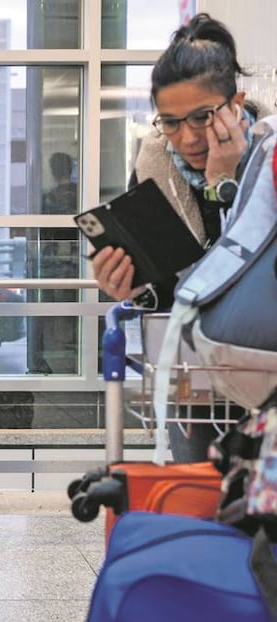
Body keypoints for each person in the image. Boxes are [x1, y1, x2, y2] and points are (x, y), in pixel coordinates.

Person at [91, 14, 266, 461]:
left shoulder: (268, 158)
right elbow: (169, 281)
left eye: (202, 117)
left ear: (236, 103)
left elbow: (246, 265)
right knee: (195, 495)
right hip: (191, 373)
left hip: (263, 363)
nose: (187, 137)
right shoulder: (154, 164)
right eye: (169, 122)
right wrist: (132, 283)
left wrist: (223, 185)